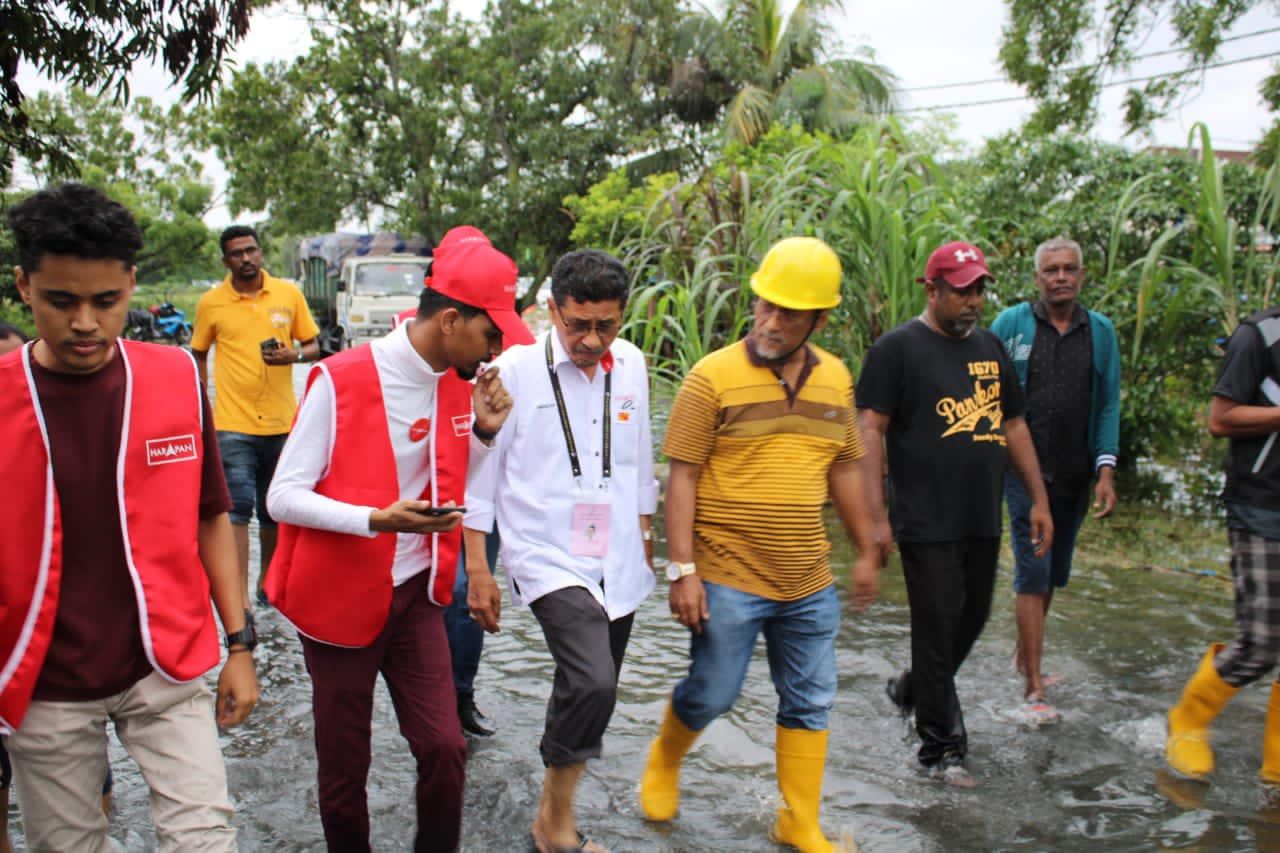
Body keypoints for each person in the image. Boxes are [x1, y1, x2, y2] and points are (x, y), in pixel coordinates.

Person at [0, 182, 259, 851]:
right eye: (62, 301)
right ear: (24, 286)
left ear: (132, 286)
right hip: (43, 684)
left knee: (206, 837)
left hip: (165, 663)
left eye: (105, 301)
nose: (85, 321)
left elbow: (211, 514)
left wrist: (238, 644)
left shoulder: (174, 377)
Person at [264, 225, 531, 852]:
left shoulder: (462, 383)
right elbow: (281, 497)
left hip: (415, 596)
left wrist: (485, 435)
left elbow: (458, 478)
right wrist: (375, 520)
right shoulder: (340, 378)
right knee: (344, 766)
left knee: (445, 746)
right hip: (338, 602)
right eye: (490, 333)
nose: (496, 349)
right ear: (449, 322)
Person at [637, 237, 881, 852]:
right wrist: (682, 570)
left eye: (789, 312)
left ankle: (798, 822)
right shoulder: (711, 377)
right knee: (714, 693)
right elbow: (682, 474)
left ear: (821, 319)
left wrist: (868, 548)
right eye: (765, 305)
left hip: (807, 579)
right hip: (726, 574)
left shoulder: (835, 381)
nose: (771, 321)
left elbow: (846, 467)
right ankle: (665, 759)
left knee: (810, 700)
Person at [463, 249, 658, 853]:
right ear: (552, 310)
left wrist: (648, 544)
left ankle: (551, 813)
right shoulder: (513, 372)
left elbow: (640, 461)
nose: (593, 340)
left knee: (592, 687)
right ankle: (558, 823)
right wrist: (478, 567)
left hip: (618, 555)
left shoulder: (632, 365)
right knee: (593, 680)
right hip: (545, 552)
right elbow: (478, 475)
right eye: (578, 325)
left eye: (607, 325)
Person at [856, 240, 1053, 788]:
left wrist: (1038, 500)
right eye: (961, 291)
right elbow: (870, 429)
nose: (973, 301)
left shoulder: (990, 348)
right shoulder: (897, 349)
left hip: (980, 515)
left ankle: (914, 689)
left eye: (979, 290)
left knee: (973, 618)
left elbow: (1013, 425)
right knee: (937, 626)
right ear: (933, 289)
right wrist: (876, 517)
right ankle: (942, 750)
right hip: (924, 517)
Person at [990, 237, 1121, 722]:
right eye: (1051, 270)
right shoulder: (1011, 325)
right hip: (1022, 471)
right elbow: (985, 388)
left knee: (1054, 570)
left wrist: (1105, 469)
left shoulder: (1100, 332)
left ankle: (1026, 654)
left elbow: (1109, 401)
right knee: (1033, 567)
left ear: (1081, 275)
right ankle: (1033, 683)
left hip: (1075, 470)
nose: (1060, 277)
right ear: (1037, 278)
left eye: (1069, 269)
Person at [1165, 304, 1280, 790]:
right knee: (1261, 641)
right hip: (1262, 506)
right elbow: (1221, 417)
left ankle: (1275, 769)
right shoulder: (1259, 336)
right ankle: (1188, 720)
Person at [191, 225, 321, 608]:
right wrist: (199, 405)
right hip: (231, 423)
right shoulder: (211, 303)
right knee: (236, 507)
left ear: (261, 253)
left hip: (283, 422)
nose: (246, 259)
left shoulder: (287, 294)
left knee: (273, 507)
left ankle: (268, 582)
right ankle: (237, 596)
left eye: (251, 251)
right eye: (237, 253)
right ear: (225, 260)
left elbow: (313, 345)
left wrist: (292, 356)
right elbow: (198, 353)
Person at [444, 529, 502, 737]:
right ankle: (440, 692)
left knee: (476, 594)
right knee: (459, 588)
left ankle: (462, 697)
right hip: (439, 501)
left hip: (487, 506)